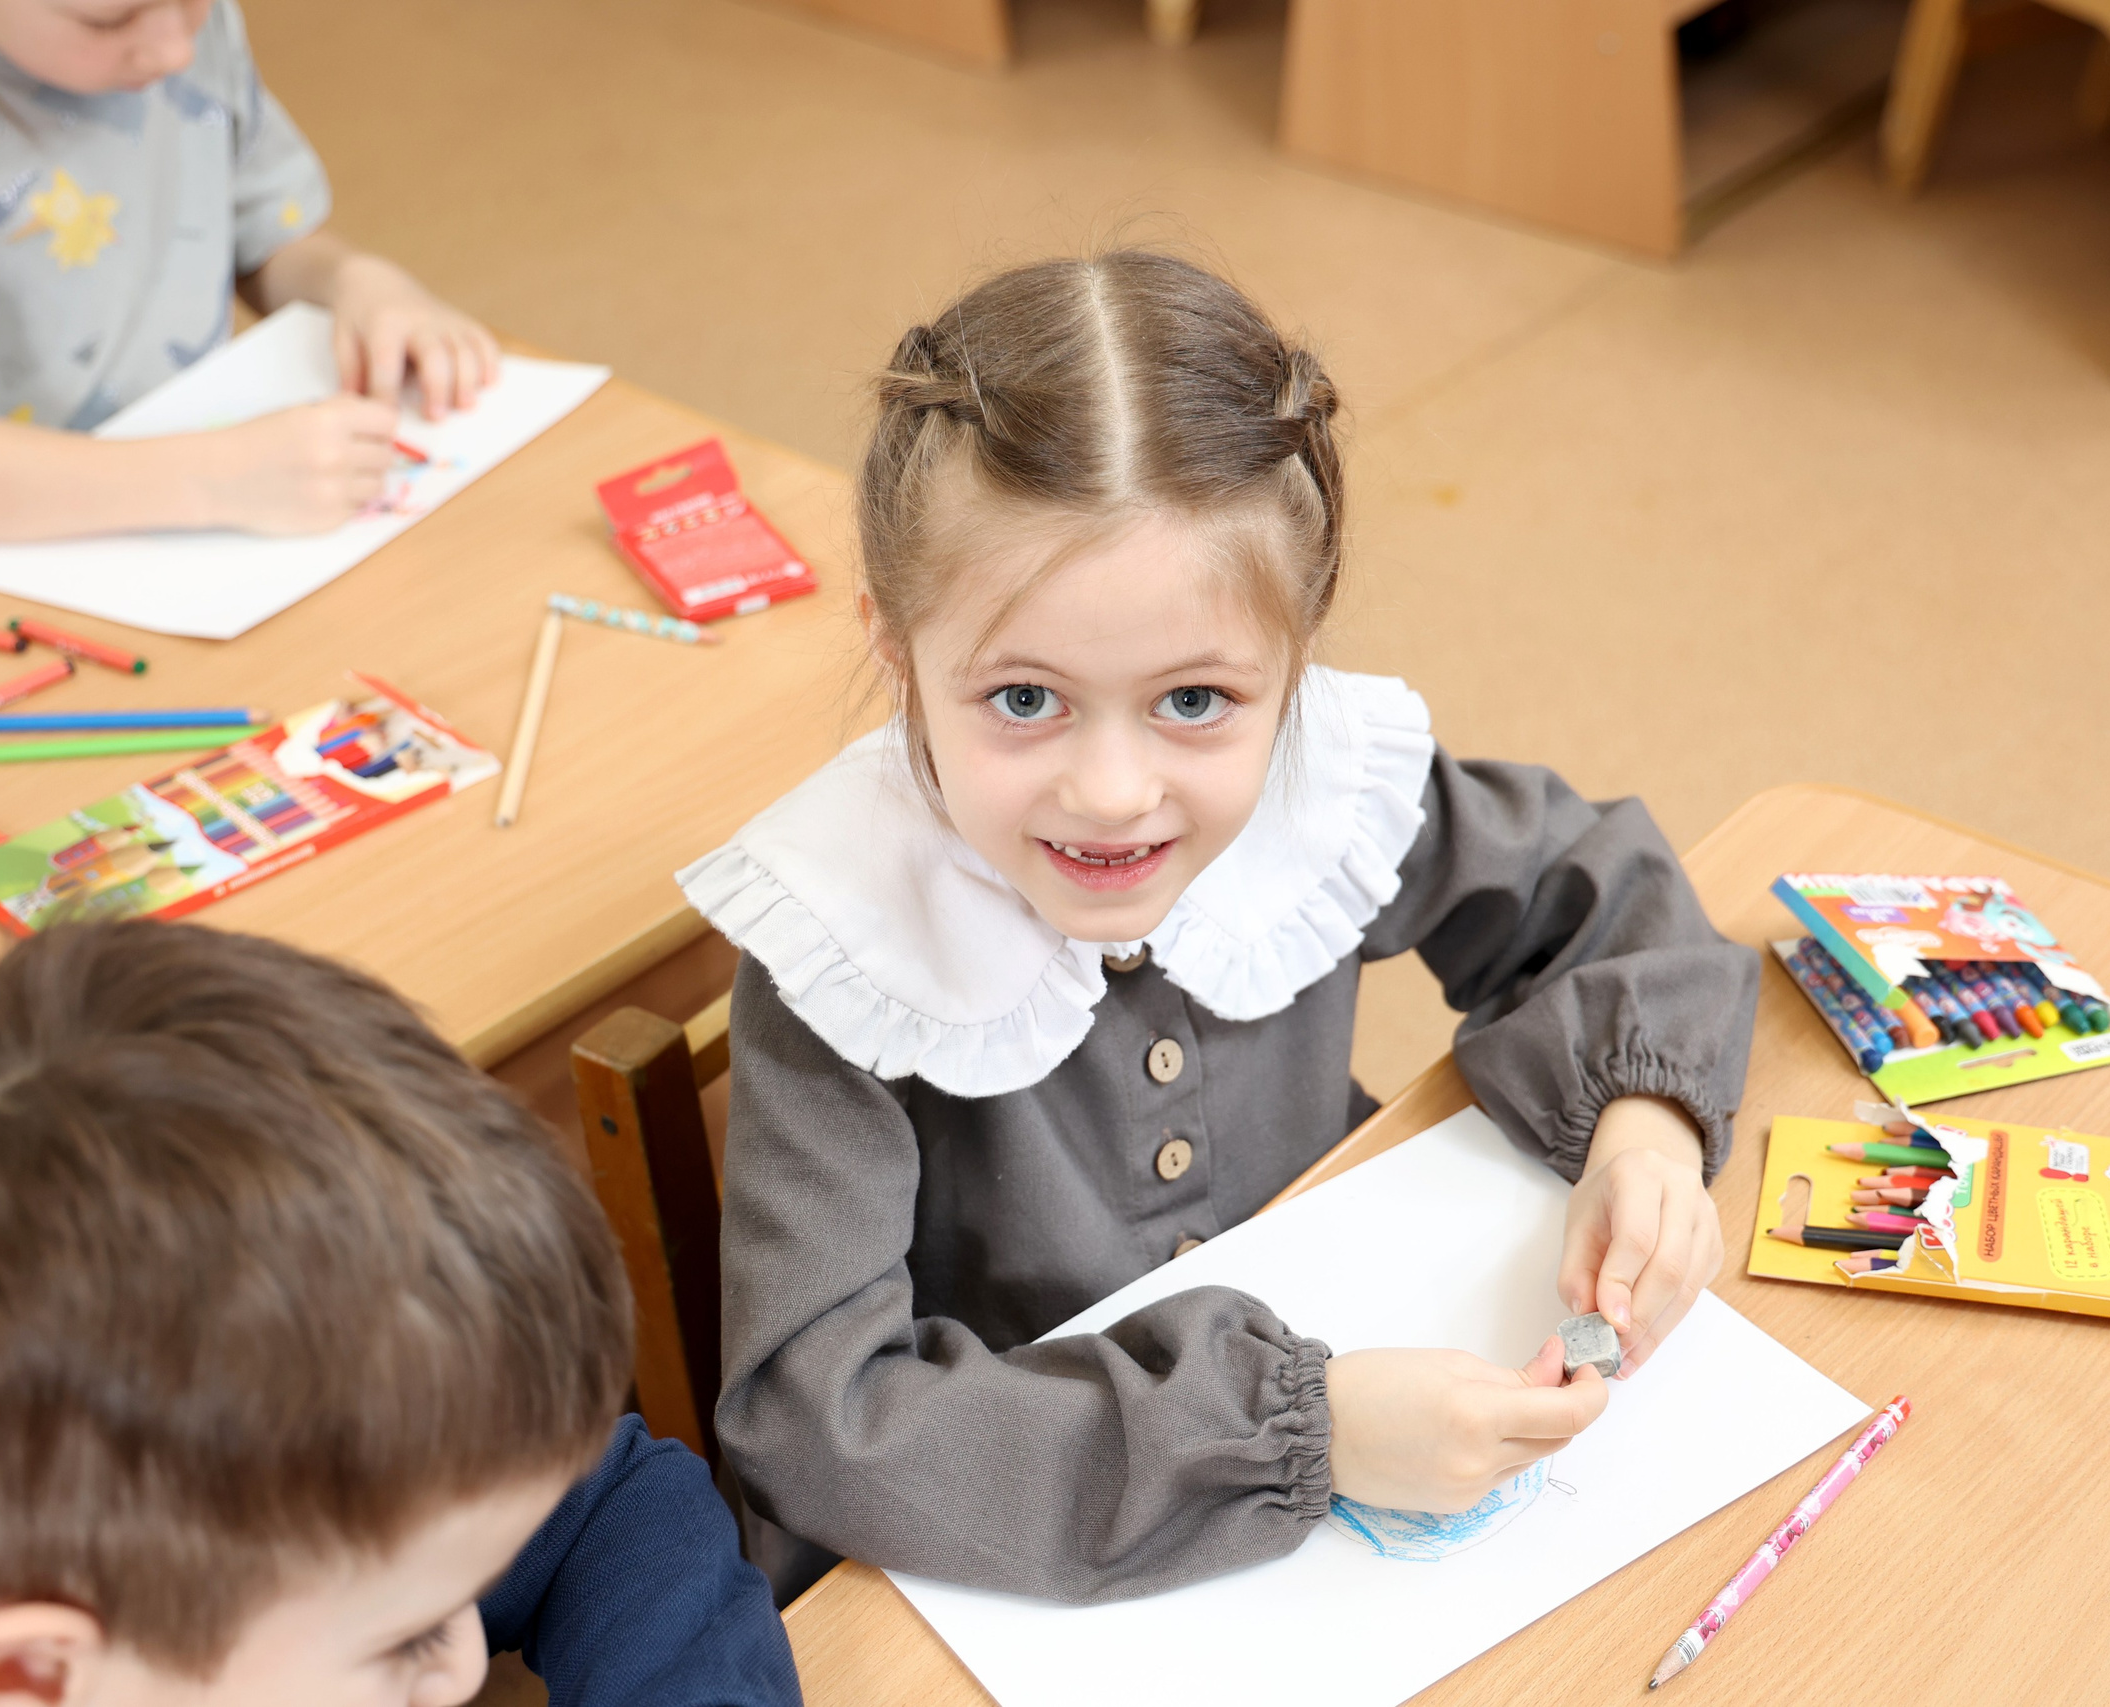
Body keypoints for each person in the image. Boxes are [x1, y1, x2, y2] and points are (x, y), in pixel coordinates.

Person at [679, 249, 1761, 1602]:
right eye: (1024, 700)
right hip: (1013, 1569)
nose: (1115, 791)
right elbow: (820, 1422)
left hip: (1371, 1485)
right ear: (898, 654)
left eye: (1195, 701)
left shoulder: (1325, 787)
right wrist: (1303, 1431)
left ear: (1294, 661)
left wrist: (1645, 1127)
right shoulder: (846, 947)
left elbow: (1593, 883)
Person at [0, 922, 802, 1707]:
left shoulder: (287, 1488)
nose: (463, 1672)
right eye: (405, 1642)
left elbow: (609, 1502)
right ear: (28, 1677)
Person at [0, 0, 501, 540]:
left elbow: (260, 235)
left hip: (219, 489)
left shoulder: (173, 31)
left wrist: (351, 280)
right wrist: (215, 480)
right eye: (107, 19)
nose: (176, 49)